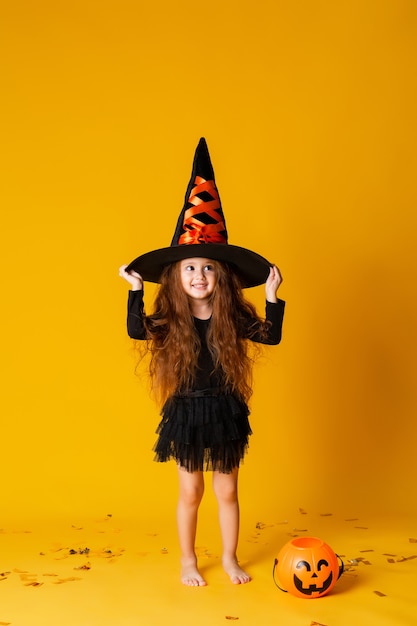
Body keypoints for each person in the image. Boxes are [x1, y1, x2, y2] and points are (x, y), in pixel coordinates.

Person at [119, 138, 285, 587]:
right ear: (177, 276)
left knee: (227, 490)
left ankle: (230, 558)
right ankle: (189, 561)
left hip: (225, 408)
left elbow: (270, 336)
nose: (199, 276)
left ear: (222, 277)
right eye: (190, 268)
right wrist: (134, 290)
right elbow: (138, 330)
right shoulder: (171, 319)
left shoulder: (232, 317)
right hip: (187, 410)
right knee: (191, 491)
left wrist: (271, 299)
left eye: (208, 268)